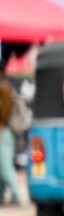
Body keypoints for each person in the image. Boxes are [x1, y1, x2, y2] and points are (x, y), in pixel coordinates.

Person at [0, 50, 22, 206]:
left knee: (4, 164)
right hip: (4, 130)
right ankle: (1, 196)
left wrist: (1, 125)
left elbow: (6, 110)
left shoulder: (4, 88)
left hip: (3, 131)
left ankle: (16, 194)